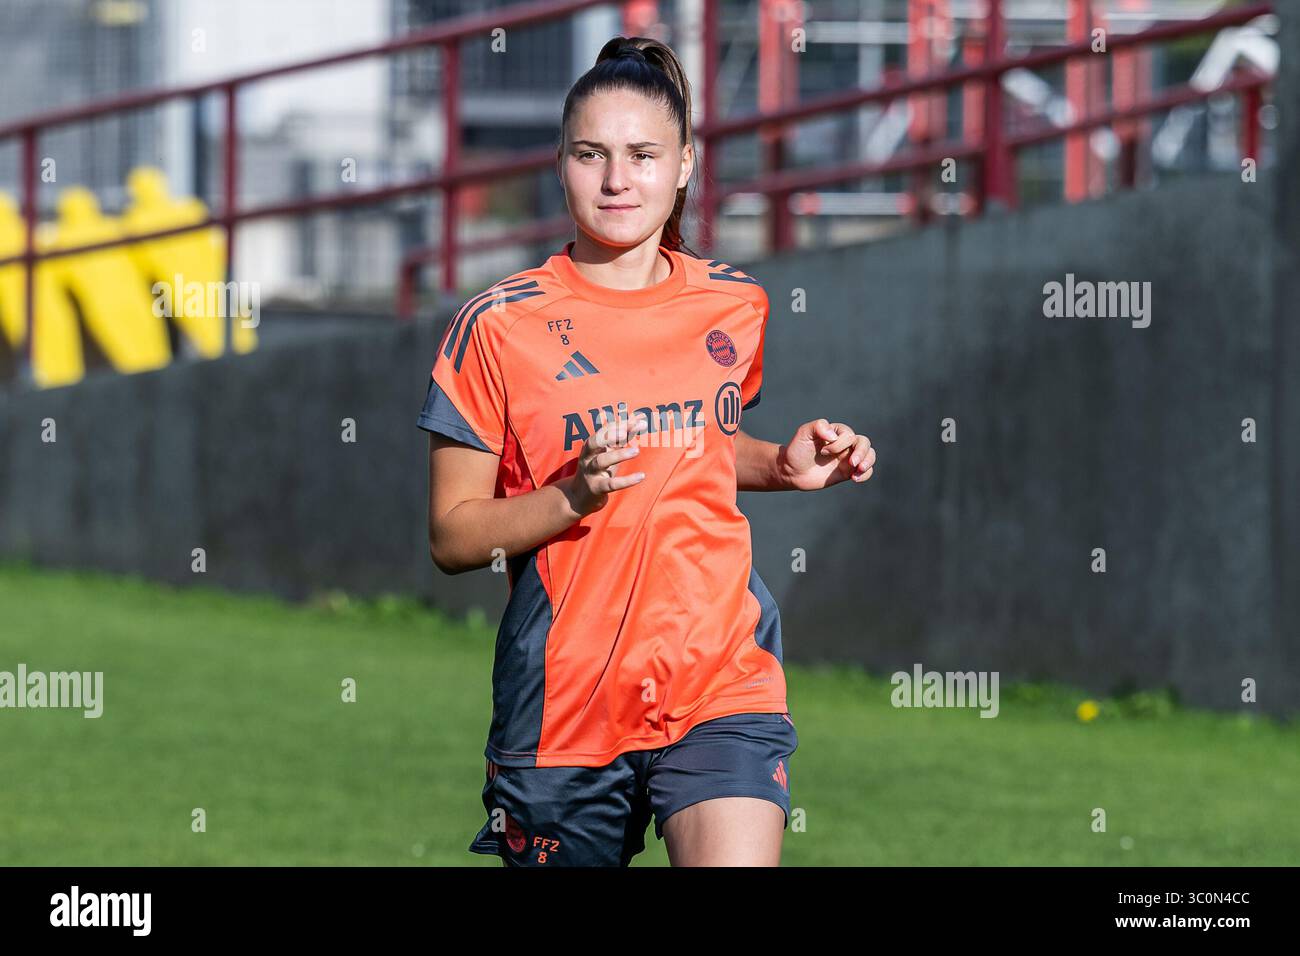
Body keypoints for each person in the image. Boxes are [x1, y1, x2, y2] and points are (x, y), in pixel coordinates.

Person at [419, 35, 876, 867]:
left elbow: (701, 446)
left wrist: (780, 464)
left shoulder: (734, 303)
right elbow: (453, 537)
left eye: (642, 154)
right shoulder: (494, 325)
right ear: (561, 164)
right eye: (591, 154)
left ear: (685, 165)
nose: (617, 179)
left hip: (717, 673)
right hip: (565, 709)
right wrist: (571, 496)